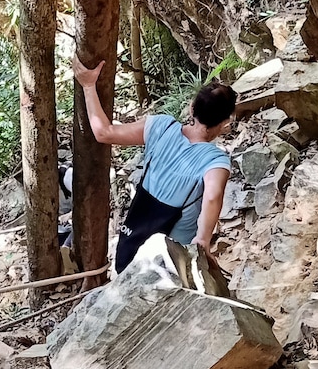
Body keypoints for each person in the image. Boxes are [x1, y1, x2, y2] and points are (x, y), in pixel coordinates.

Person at [71, 57, 236, 273]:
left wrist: (88, 86)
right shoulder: (215, 160)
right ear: (225, 123)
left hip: (132, 245)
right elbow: (213, 196)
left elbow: (104, 132)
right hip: (169, 263)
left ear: (191, 108)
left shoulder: (161, 126)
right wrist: (203, 240)